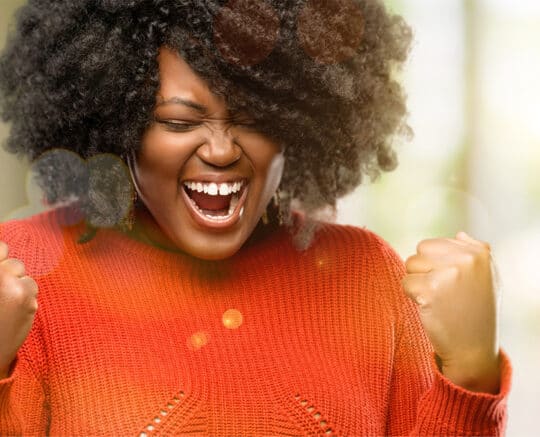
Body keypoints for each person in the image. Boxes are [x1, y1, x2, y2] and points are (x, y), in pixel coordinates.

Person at [0, 0, 512, 435]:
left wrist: (471, 373)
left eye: (256, 119)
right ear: (116, 119)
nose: (221, 150)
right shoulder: (25, 274)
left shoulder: (369, 277)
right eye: (180, 121)